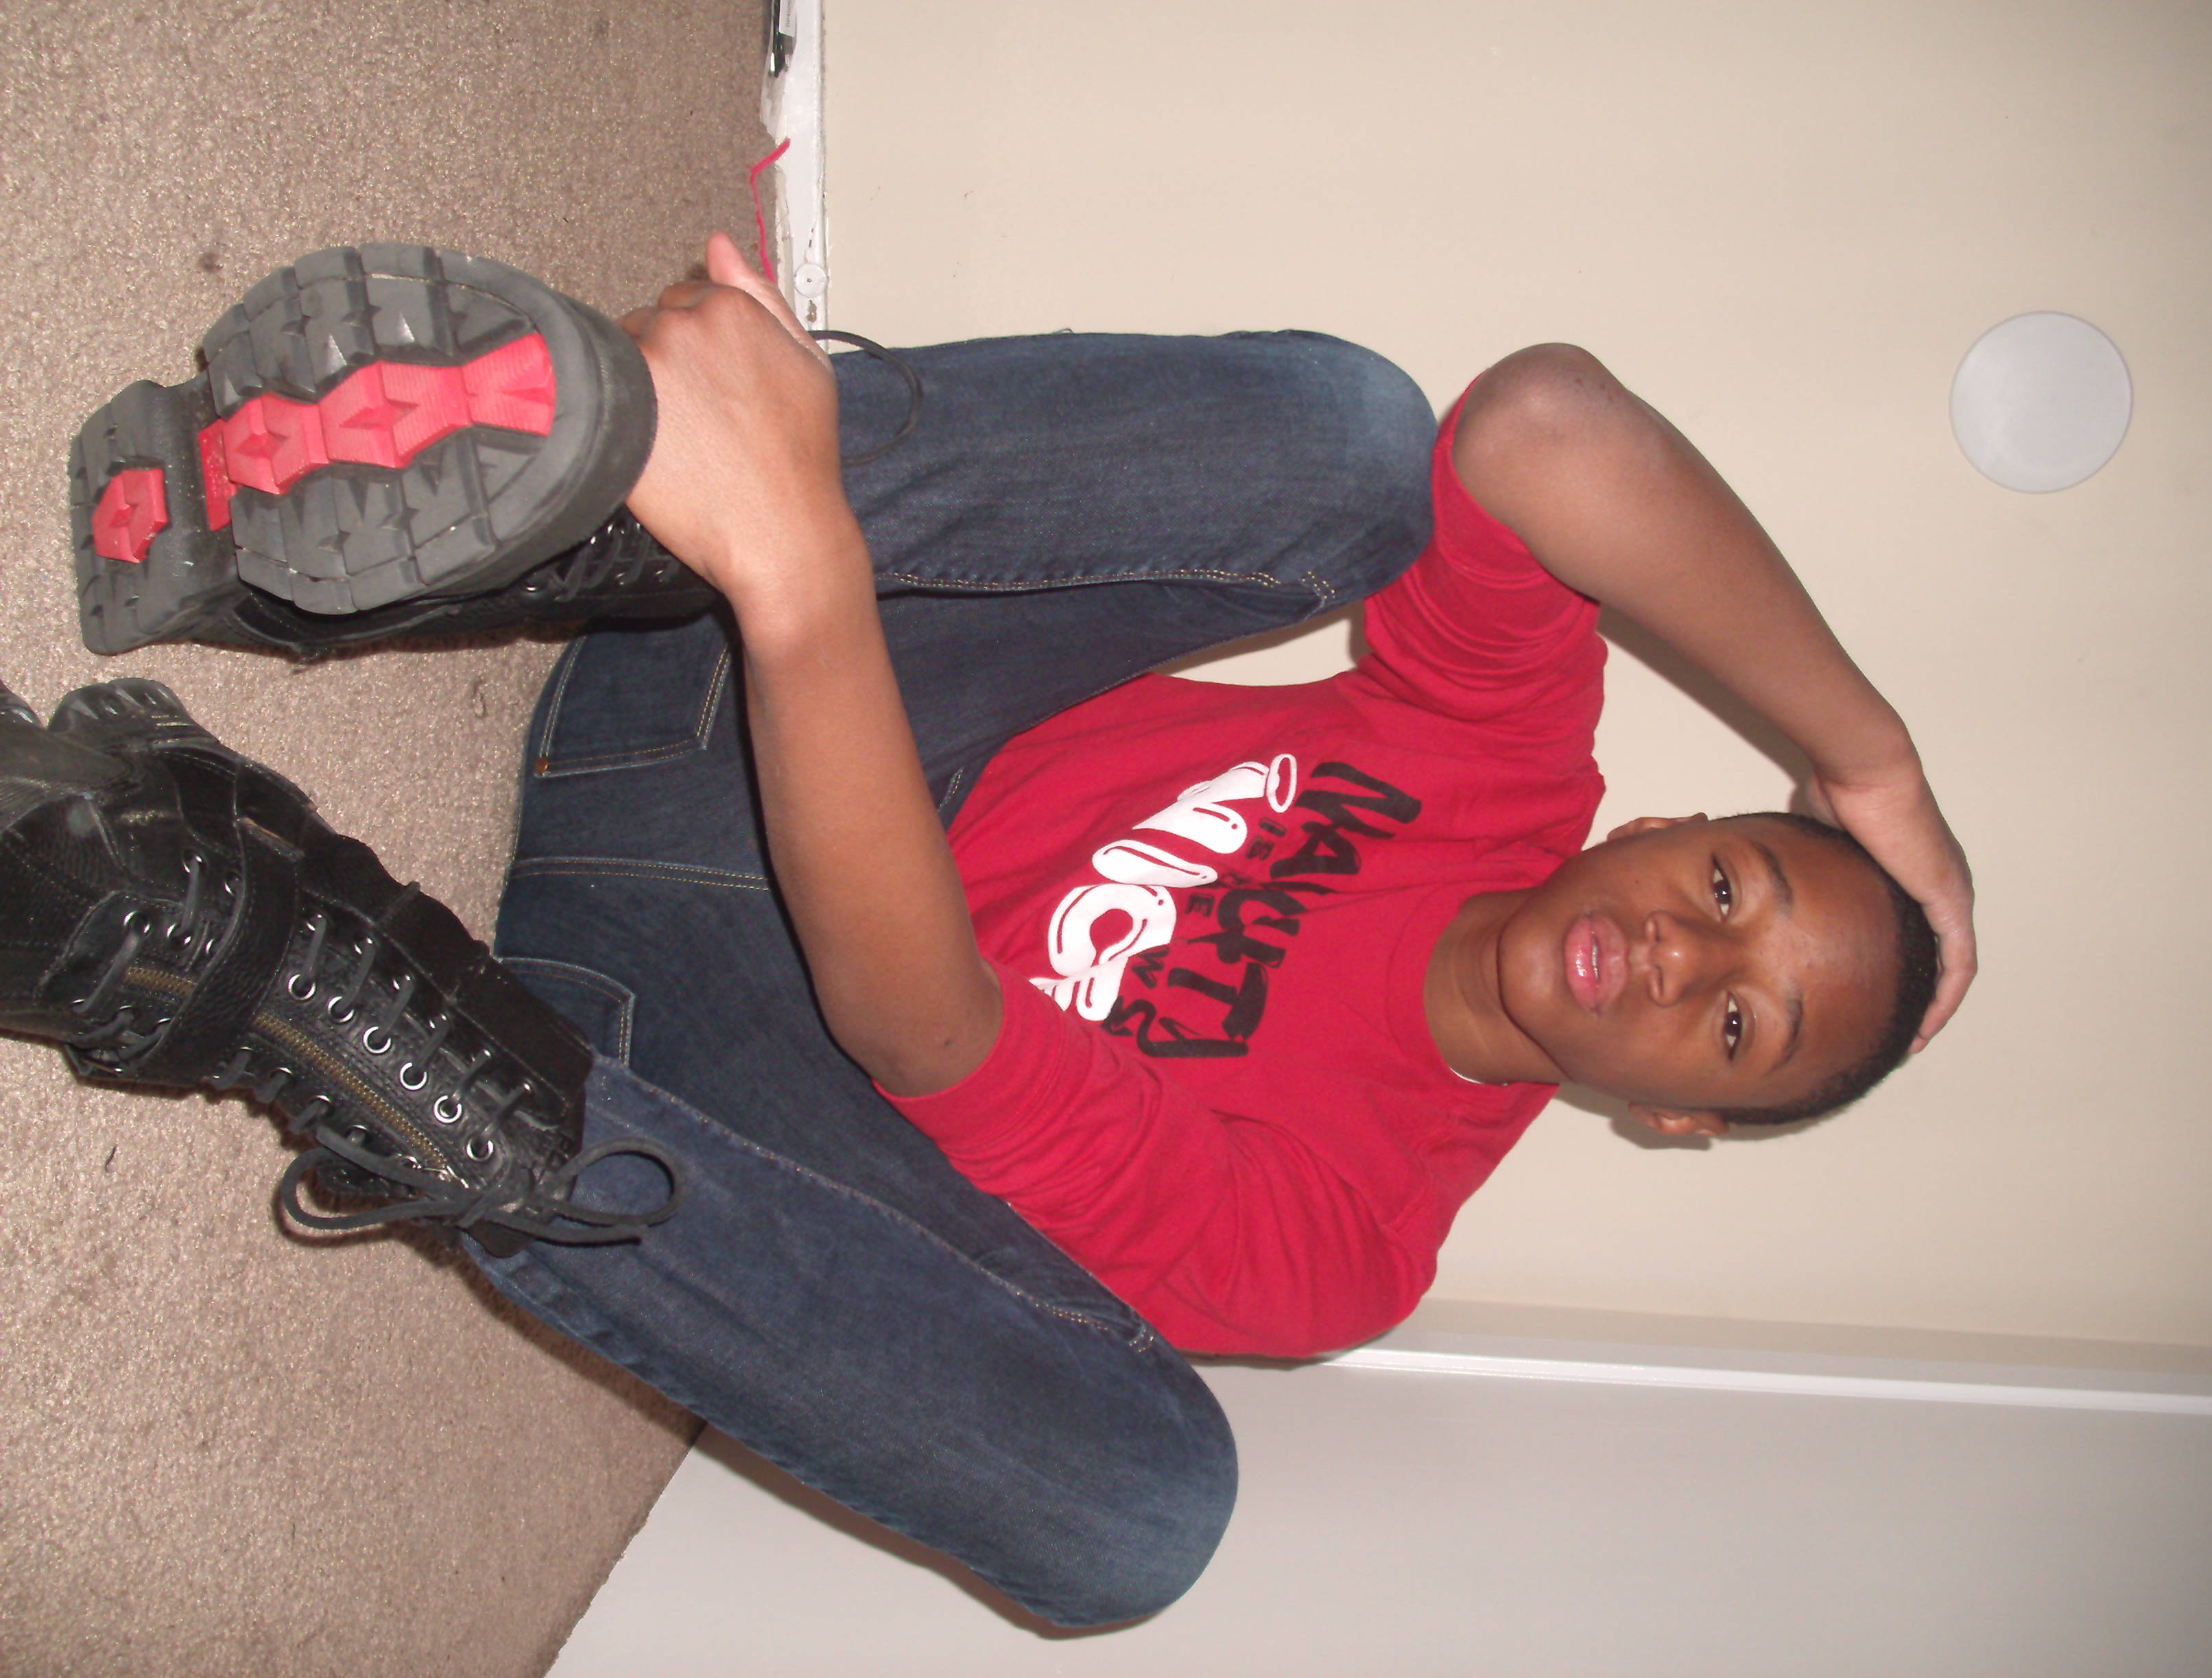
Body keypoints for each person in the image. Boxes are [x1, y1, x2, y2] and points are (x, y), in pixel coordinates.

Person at [7, 235, 1973, 1625]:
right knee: (1368, 445)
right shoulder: (1509, 751)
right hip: (690, 655)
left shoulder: (1354, 1239)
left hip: (662, 1050)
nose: (1694, 959)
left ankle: (286, 969)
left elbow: (927, 1038)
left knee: (1134, 1519)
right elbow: (1547, 420)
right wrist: (1869, 762)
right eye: (1739, 886)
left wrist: (801, 571)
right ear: (1675, 821)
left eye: (1740, 1029)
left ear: (1683, 1119)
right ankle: (533, 502)